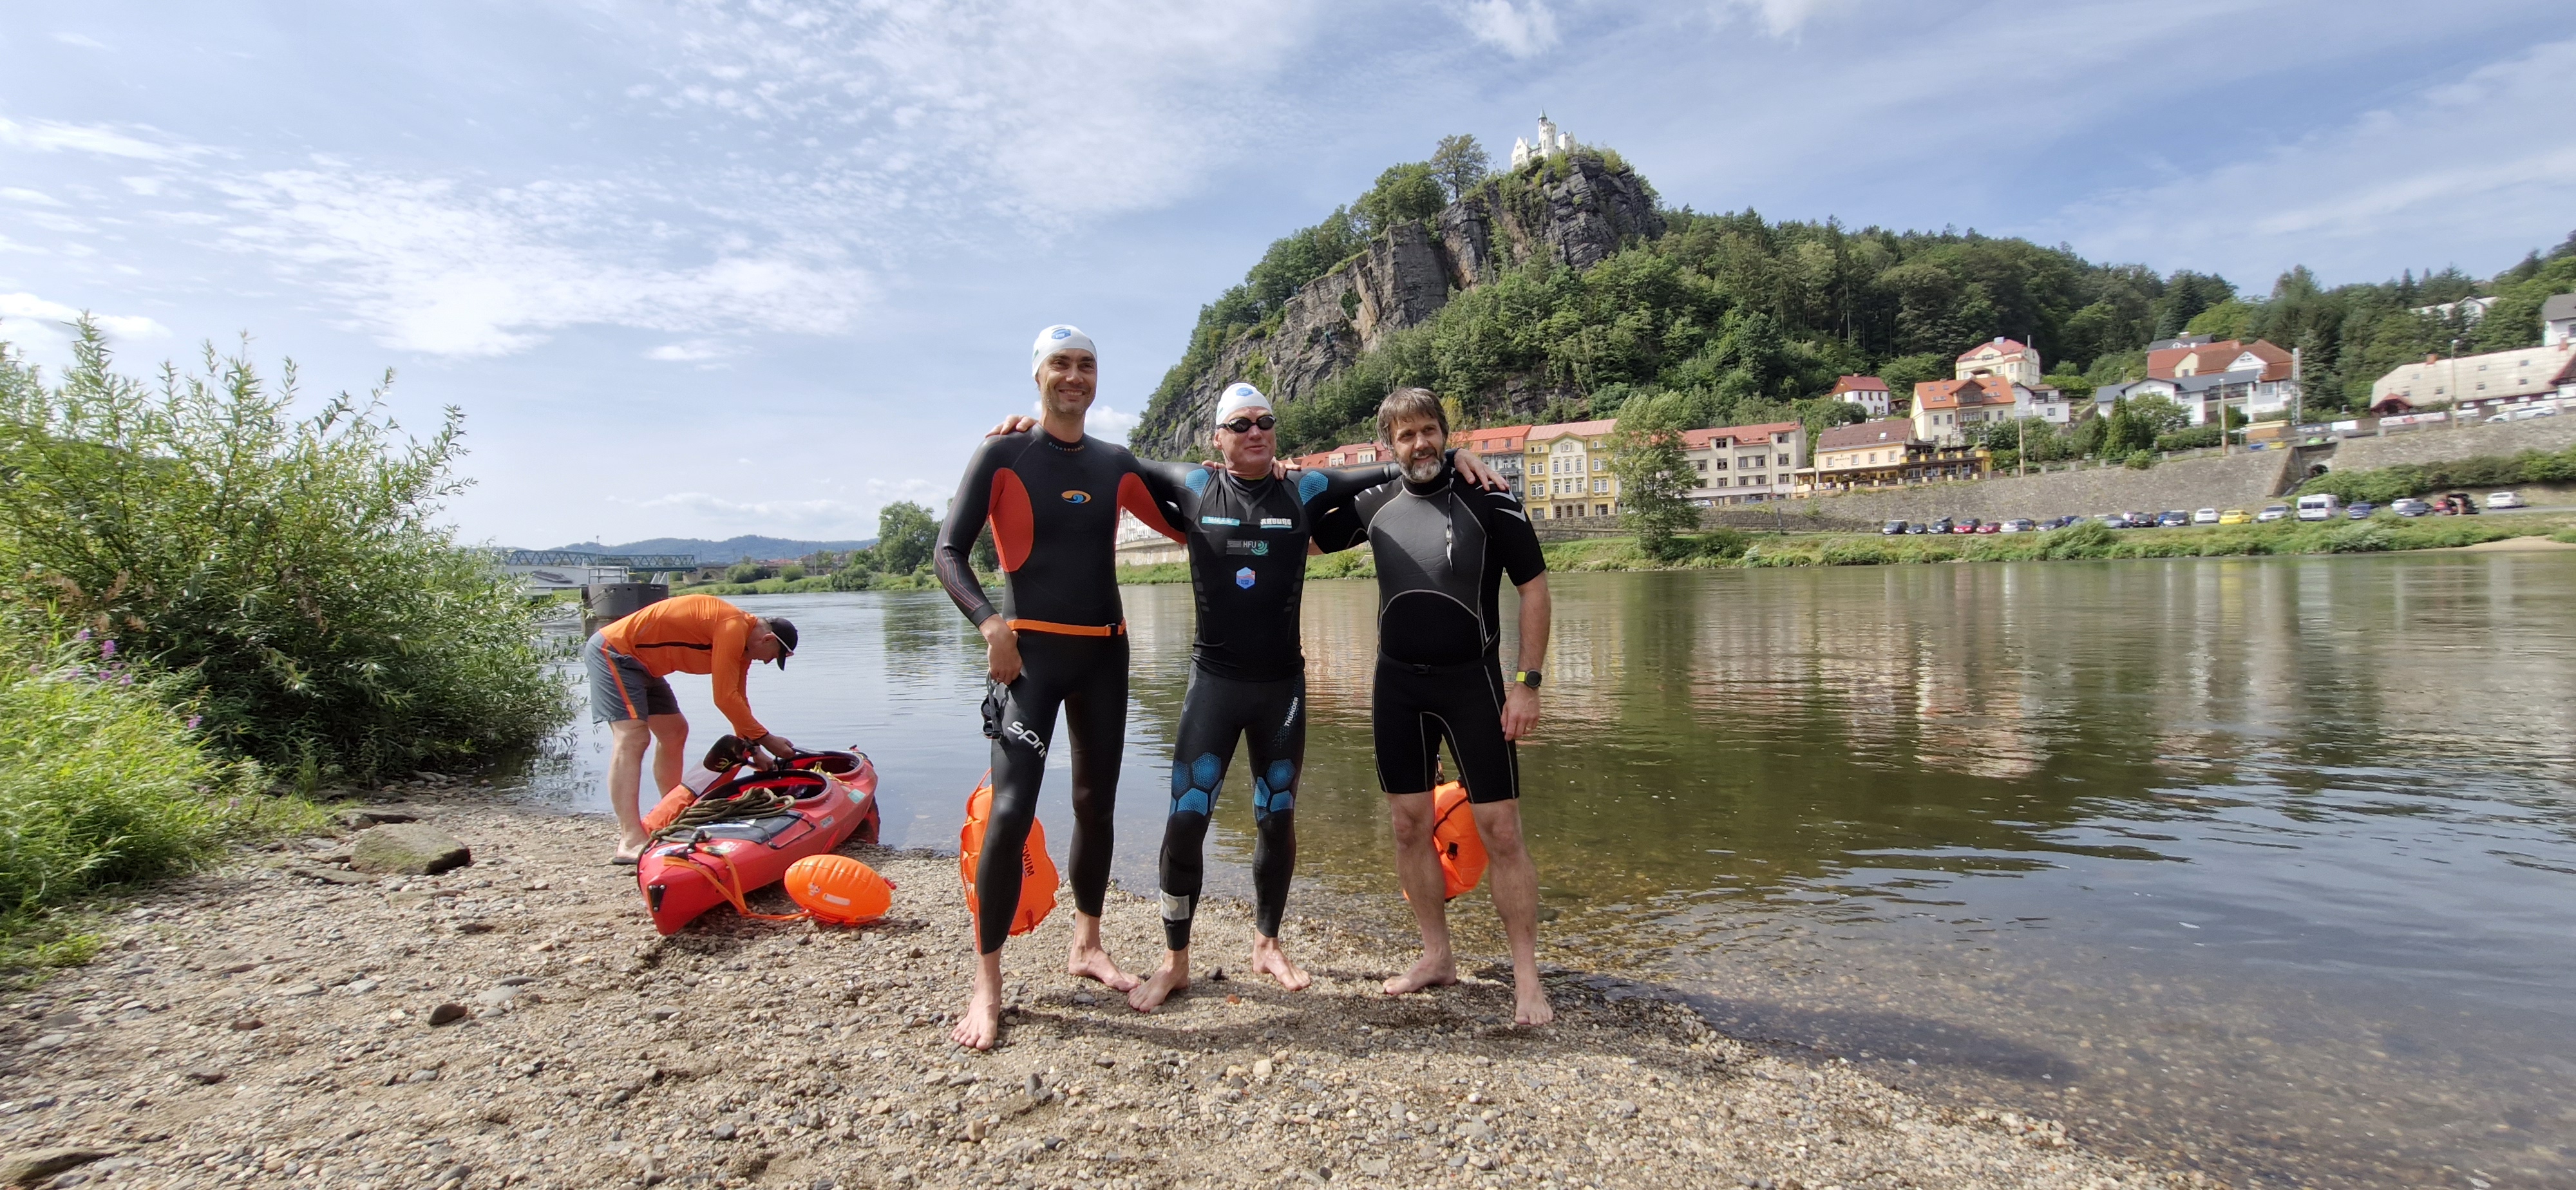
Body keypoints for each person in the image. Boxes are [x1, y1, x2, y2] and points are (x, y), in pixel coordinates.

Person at [933, 325, 1190, 1050]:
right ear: (1038, 375)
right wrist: (990, 625)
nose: (1074, 377)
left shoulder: (1114, 464)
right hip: (1030, 661)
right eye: (1060, 365)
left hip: (1106, 655)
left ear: (1097, 377)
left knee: (1095, 806)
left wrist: (1244, 482)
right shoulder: (1005, 453)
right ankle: (988, 986)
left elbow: (1188, 523)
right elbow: (948, 551)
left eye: (1086, 366)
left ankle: (1087, 944)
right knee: (1012, 810)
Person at [1315, 386, 1556, 1026]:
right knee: (1406, 825)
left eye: (1429, 431)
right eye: (1405, 435)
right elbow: (1302, 537)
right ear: (1388, 445)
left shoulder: (1489, 496)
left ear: (1445, 433)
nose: (1419, 444)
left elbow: (1533, 588)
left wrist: (1527, 682)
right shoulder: (1372, 501)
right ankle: (1436, 955)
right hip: (1397, 687)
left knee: (1501, 829)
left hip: (1472, 684)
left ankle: (1527, 978)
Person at [587, 594, 798, 863]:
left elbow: (737, 700)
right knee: (633, 737)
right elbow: (722, 698)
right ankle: (630, 839)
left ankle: (673, 816)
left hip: (646, 666)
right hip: (615, 652)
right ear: (767, 640)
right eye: (774, 657)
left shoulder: (743, 648)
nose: (768, 663)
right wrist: (767, 739)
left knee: (675, 731)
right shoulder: (732, 626)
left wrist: (753, 749)